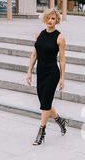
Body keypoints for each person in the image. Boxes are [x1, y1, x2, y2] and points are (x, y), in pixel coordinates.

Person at [26, 8, 68, 145]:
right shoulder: (39, 35)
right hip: (41, 72)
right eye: (49, 18)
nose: (50, 21)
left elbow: (62, 59)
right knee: (45, 103)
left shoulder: (60, 37)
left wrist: (62, 78)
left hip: (52, 73)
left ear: (57, 21)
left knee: (45, 103)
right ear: (45, 19)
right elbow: (34, 54)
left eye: (53, 19)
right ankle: (60, 121)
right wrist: (29, 71)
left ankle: (41, 132)